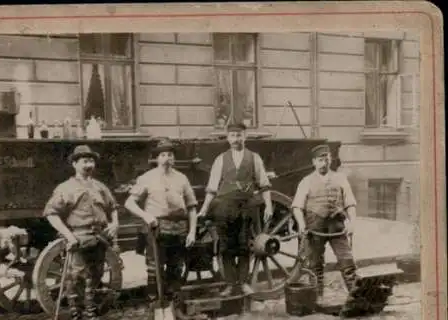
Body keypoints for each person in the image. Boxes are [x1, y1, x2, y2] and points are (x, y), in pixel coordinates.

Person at [43, 145, 119, 320]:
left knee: (95, 276)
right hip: (78, 238)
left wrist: (115, 223)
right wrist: (68, 235)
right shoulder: (65, 188)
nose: (88, 165)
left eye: (91, 161)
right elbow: (51, 214)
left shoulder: (100, 187)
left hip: (99, 238)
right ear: (75, 164)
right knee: (75, 279)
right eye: (84, 161)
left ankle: (91, 315)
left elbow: (113, 207)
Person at [198, 123, 273, 297]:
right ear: (227, 138)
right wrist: (204, 208)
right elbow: (211, 188)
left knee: (244, 245)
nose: (236, 139)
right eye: (232, 135)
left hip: (246, 207)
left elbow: (264, 184)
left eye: (239, 135)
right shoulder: (221, 159)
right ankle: (231, 284)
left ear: (245, 136)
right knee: (226, 246)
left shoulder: (254, 158)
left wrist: (268, 205)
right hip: (224, 208)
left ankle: (244, 282)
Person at [124, 139, 198, 306]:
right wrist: (146, 216)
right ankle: (155, 303)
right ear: (157, 158)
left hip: (179, 229)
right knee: (154, 267)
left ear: (174, 158)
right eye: (162, 154)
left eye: (170, 154)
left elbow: (192, 207)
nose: (166, 158)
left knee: (176, 266)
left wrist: (192, 231)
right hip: (156, 228)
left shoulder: (182, 179)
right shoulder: (146, 178)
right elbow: (129, 203)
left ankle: (173, 304)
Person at [291, 144, 358, 298]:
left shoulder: (340, 178)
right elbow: (297, 206)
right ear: (314, 162)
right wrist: (301, 224)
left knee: (347, 263)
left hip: (337, 227)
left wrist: (352, 223)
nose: (324, 163)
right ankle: (316, 298)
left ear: (330, 160)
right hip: (315, 227)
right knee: (315, 266)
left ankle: (356, 297)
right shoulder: (306, 181)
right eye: (320, 160)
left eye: (327, 159)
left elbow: (350, 203)